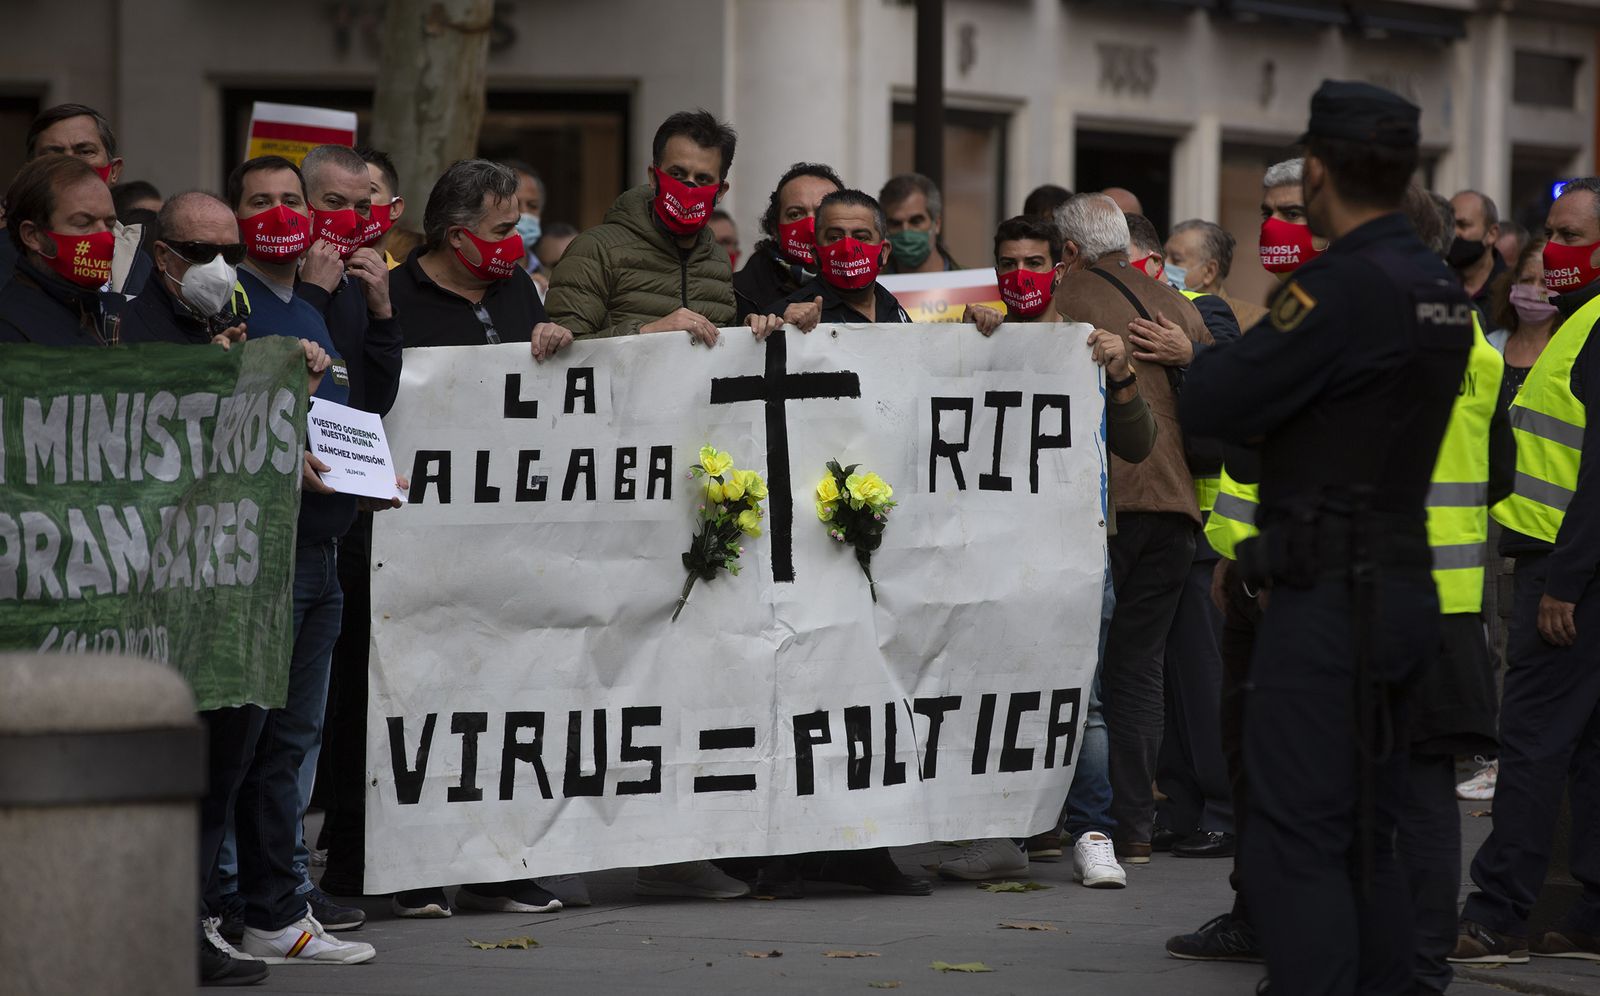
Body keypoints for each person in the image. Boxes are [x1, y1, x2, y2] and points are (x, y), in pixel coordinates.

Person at [1181, 80, 1473, 995]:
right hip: (1400, 585)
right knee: (1369, 837)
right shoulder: (1435, 284)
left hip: (1328, 593)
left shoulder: (1340, 285)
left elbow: (1216, 399)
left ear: (1316, 170)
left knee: (1295, 838)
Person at [939, 214, 1155, 887]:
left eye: (1034, 263)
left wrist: (1120, 374)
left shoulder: (1087, 344)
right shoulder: (976, 338)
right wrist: (966, 344)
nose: (1021, 276)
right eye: (1009, 265)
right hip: (994, 553)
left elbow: (1138, 443)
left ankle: (1093, 833)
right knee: (989, 692)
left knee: (1082, 699)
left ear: (1057, 268)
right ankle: (1001, 831)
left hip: (1077, 552)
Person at [218, 152, 380, 967]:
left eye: (291, 199)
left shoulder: (321, 305)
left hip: (319, 549)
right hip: (261, 554)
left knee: (293, 741)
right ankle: (238, 905)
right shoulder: (231, 298)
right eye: (262, 201)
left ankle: (277, 910)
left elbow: (344, 412)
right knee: (248, 743)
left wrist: (371, 472)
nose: (280, 213)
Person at [1163, 156, 1321, 966]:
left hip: (1321, 580)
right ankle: (1258, 913)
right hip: (1255, 567)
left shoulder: (1342, 307)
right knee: (1251, 749)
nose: (1276, 226)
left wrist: (1195, 358)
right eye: (1268, 210)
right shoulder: (1297, 307)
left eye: (1292, 209)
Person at [1451, 176, 1600, 966]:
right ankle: (1590, 918)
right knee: (1587, 749)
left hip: (1566, 572)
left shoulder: (1594, 328)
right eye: (1553, 233)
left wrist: (1566, 581)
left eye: (1573, 235)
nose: (1558, 249)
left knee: (1533, 745)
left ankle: (1497, 914)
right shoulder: (1581, 324)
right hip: (1568, 564)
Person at [1052, 192, 1210, 871]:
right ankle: (1137, 828)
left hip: (1106, 509)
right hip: (1177, 511)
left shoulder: (1068, 300)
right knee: (1141, 670)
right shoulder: (1178, 306)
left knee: (1084, 674)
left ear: (1067, 252)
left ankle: (1080, 823)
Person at [1395, 182, 1512, 995]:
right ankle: (1424, 958)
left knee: (1350, 790)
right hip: (1453, 603)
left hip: (1374, 594)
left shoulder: (1371, 325)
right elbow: (1499, 473)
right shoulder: (1472, 340)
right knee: (1428, 791)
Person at [547, 109, 776, 346]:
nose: (688, 187)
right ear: (654, 177)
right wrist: (647, 332)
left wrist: (746, 333)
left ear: (720, 191)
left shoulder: (717, 259)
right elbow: (565, 354)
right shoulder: (595, 250)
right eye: (677, 174)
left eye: (703, 179)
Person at [295, 144, 403, 419]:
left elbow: (378, 400)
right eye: (334, 202)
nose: (351, 219)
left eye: (362, 207)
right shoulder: (275, 274)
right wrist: (313, 293)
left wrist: (382, 316)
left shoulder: (357, 281)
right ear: (303, 202)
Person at [12, 103, 152, 296]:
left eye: (85, 151)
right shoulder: (6, 260)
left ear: (114, 171)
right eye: (53, 155)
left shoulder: (144, 265)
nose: (72, 164)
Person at [0, 154, 122, 345]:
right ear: (33, 235)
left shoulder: (108, 311)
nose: (104, 237)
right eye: (83, 223)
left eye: (109, 223)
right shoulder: (10, 329)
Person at [120, 192, 248, 346]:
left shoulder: (234, 326)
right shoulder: (126, 331)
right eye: (201, 252)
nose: (220, 268)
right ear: (162, 256)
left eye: (232, 253)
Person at [775, 189, 909, 325]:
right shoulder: (784, 319)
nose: (847, 249)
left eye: (861, 237)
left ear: (884, 252)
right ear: (815, 254)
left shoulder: (895, 311)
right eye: (835, 237)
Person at [733, 161, 842, 325]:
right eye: (796, 214)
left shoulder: (865, 290)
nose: (811, 227)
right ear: (774, 228)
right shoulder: (737, 292)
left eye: (823, 214)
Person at [1488, 236, 1556, 399]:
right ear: (1513, 283)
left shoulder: (1575, 352)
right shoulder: (1490, 345)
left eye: (1545, 283)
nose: (1534, 290)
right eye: (1526, 280)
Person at [1167, 219, 1267, 330]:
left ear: (1210, 271)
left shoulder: (1257, 323)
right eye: (1164, 256)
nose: (1164, 264)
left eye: (1176, 260)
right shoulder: (1162, 310)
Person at [879, 172, 959, 274]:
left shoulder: (970, 283)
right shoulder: (872, 286)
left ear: (937, 224)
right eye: (895, 223)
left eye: (916, 221)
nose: (906, 233)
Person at [1450, 190, 1507, 318]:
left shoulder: (1511, 291)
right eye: (1450, 225)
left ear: (1492, 234)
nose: (1454, 232)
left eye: (1463, 225)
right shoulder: (1436, 284)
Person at [355, 146, 411, 267]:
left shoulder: (405, 281)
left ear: (394, 209)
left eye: (370, 189)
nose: (356, 198)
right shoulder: (311, 271)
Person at [504, 159, 546, 283]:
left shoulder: (554, 278)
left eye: (532, 206)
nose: (523, 213)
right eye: (514, 204)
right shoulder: (476, 279)